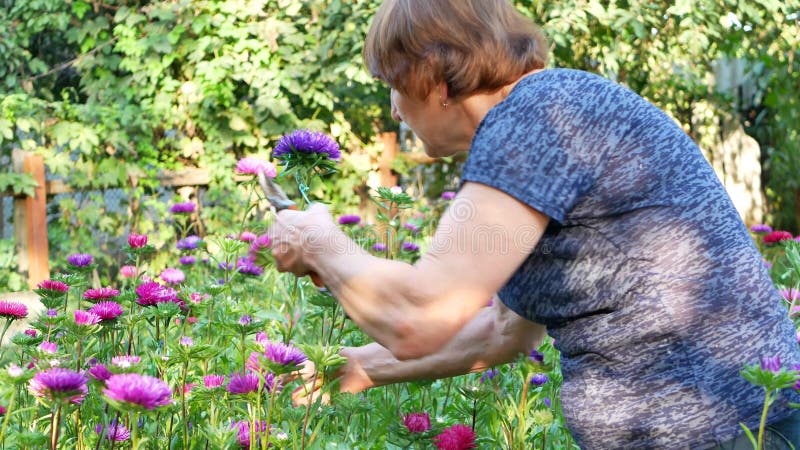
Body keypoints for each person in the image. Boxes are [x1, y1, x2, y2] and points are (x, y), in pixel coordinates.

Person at [269, 0, 800, 448]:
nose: (393, 110)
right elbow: (501, 333)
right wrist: (352, 367)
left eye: (391, 83)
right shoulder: (548, 116)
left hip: (726, 431)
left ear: (432, 75)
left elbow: (419, 316)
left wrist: (317, 240)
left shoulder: (539, 121)